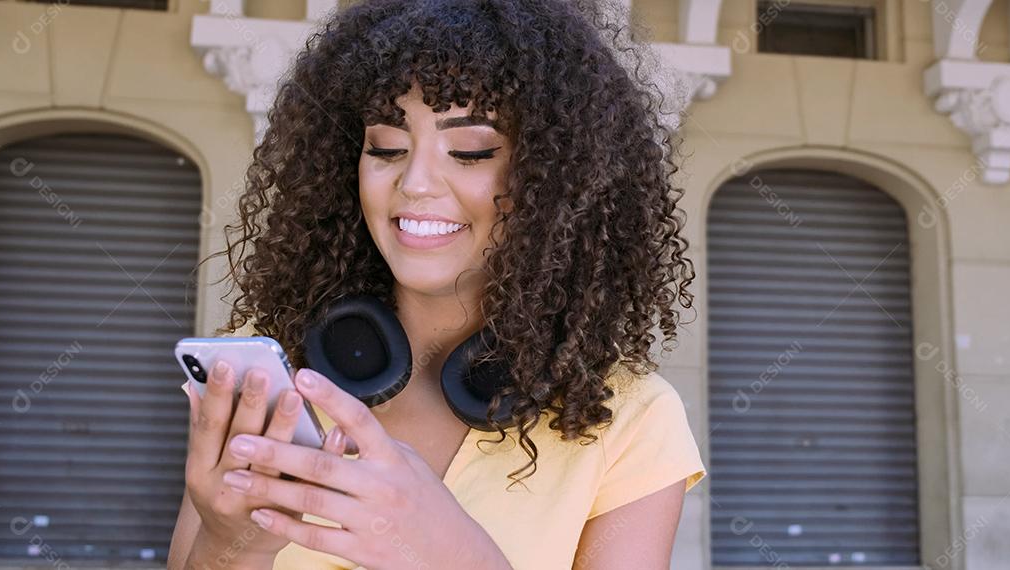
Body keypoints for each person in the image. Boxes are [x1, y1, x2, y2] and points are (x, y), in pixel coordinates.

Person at [168, 0, 706, 568]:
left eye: (470, 151)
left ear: (554, 179)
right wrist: (231, 542)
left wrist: (450, 551)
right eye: (386, 147)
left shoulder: (631, 416)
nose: (415, 182)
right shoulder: (270, 375)